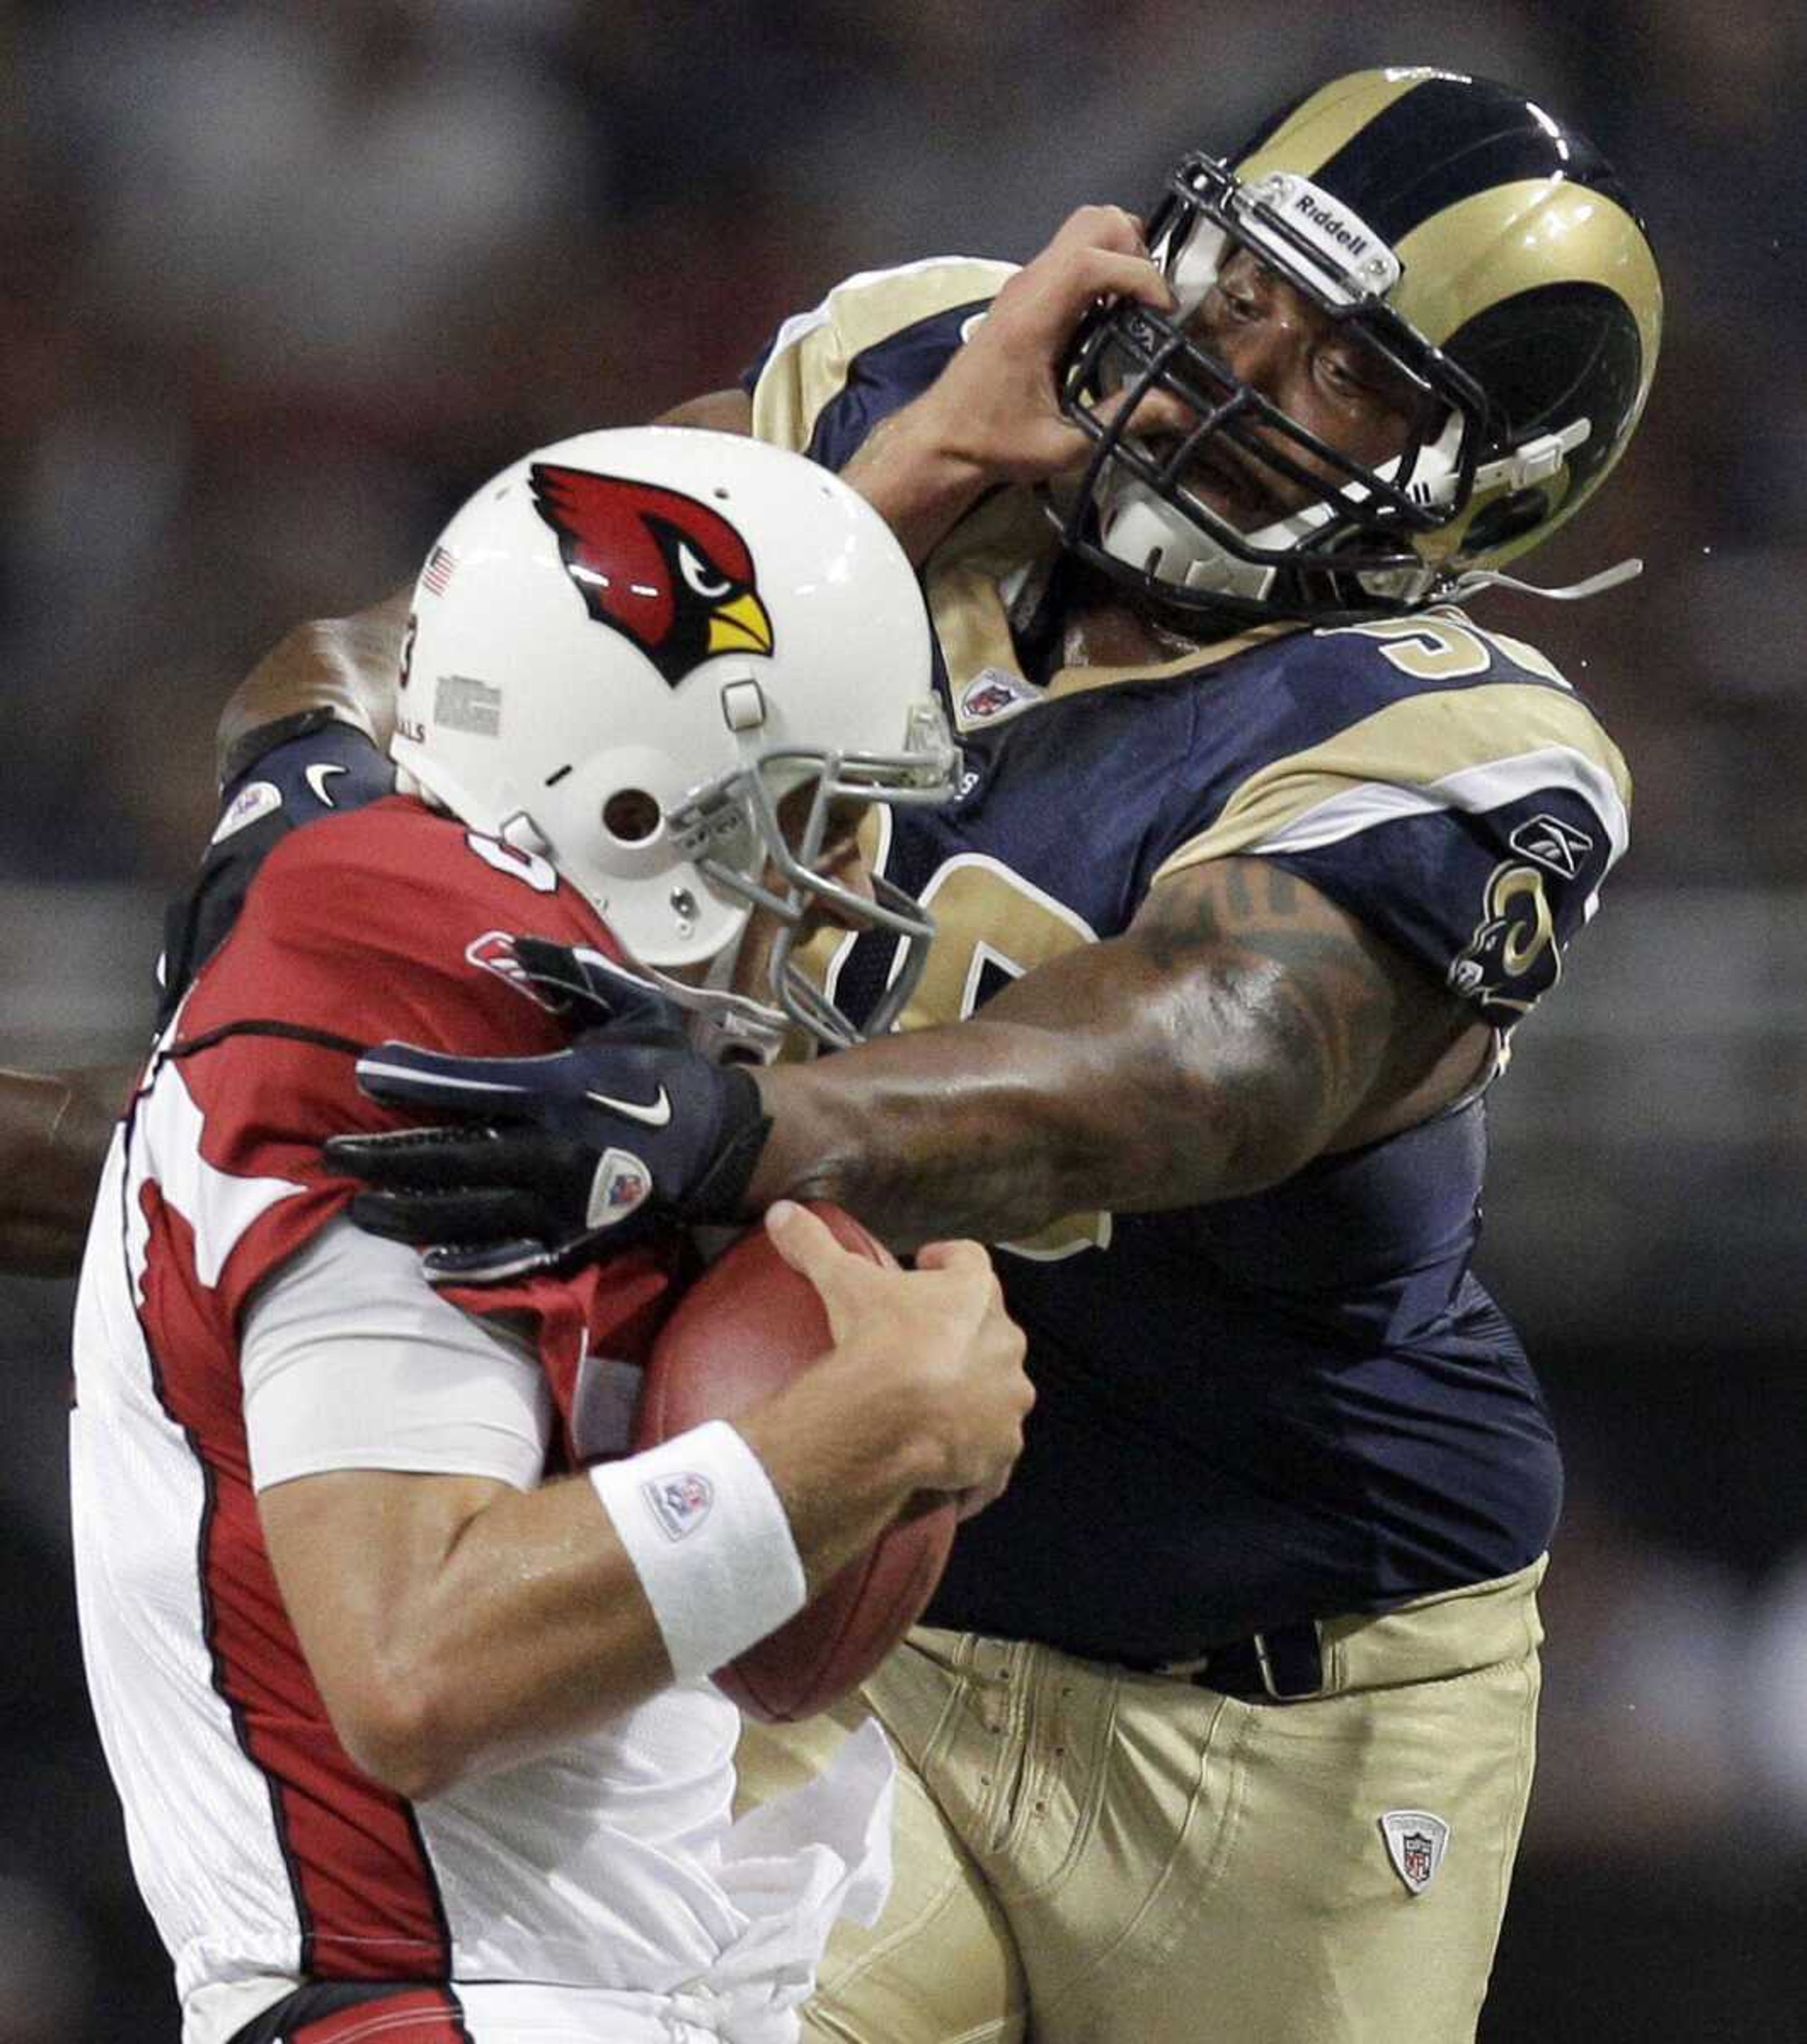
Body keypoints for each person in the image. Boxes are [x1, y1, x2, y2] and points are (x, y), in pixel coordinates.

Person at [26, 63, 1659, 2044]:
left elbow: (1202, 1063)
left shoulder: (1458, 739)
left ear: (1487, 482)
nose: (1233, 374)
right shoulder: (920, 379)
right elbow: (486, 614)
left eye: (1345, 375)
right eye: (1238, 292)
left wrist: (743, 1132)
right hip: (848, 1574)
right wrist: (311, 825)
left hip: (1284, 1697)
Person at [66, 425, 1033, 2044]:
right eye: (818, 808)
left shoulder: (409, 928)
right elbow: (414, 1664)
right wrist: (850, 1442)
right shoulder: (409, 969)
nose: (853, 875)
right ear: (650, 794)